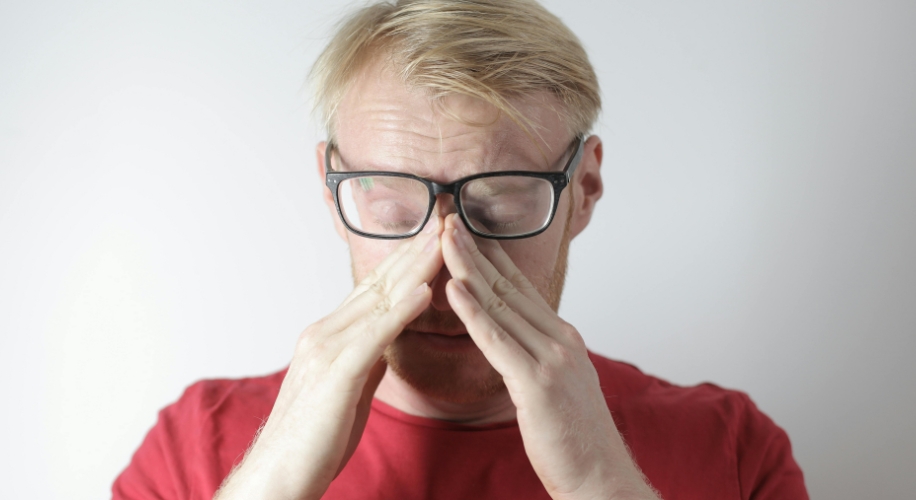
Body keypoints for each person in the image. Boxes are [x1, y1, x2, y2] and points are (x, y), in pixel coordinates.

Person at [113, 1, 808, 498]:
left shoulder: (732, 449)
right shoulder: (195, 450)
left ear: (584, 189)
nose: (445, 262)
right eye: (389, 195)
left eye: (502, 199)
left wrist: (602, 484)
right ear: (332, 192)